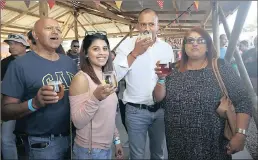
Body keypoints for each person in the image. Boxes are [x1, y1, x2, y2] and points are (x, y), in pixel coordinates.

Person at [153, 27, 252, 160]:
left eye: (200, 40)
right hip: (178, 145)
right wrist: (161, 79)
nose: (195, 43)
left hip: (213, 145)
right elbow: (158, 99)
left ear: (207, 46)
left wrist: (240, 135)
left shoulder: (221, 67)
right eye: (190, 40)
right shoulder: (172, 69)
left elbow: (243, 100)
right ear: (184, 46)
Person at [1, 18, 77, 159]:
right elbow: (5, 112)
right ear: (35, 35)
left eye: (58, 29)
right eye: (49, 28)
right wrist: (34, 103)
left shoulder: (69, 63)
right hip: (42, 144)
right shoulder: (19, 65)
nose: (55, 31)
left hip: (73, 138)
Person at [113, 8, 174, 159]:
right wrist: (135, 53)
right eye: (143, 24)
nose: (147, 28)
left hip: (161, 110)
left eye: (151, 24)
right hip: (135, 111)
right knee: (137, 155)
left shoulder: (166, 48)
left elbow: (170, 77)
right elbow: (115, 75)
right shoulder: (127, 45)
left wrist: (163, 77)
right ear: (138, 26)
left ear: (157, 26)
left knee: (158, 153)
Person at [69, 32, 123, 159]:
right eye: (95, 49)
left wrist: (117, 141)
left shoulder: (107, 76)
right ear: (86, 53)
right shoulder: (81, 79)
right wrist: (96, 98)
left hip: (106, 147)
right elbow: (77, 122)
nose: (102, 53)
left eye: (105, 48)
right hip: (89, 151)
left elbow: (109, 115)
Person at [1, 33, 29, 160]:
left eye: (15, 43)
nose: (11, 46)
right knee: (6, 138)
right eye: (10, 44)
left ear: (24, 45)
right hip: (11, 105)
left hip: (33, 104)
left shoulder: (34, 59)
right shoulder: (4, 63)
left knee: (33, 136)